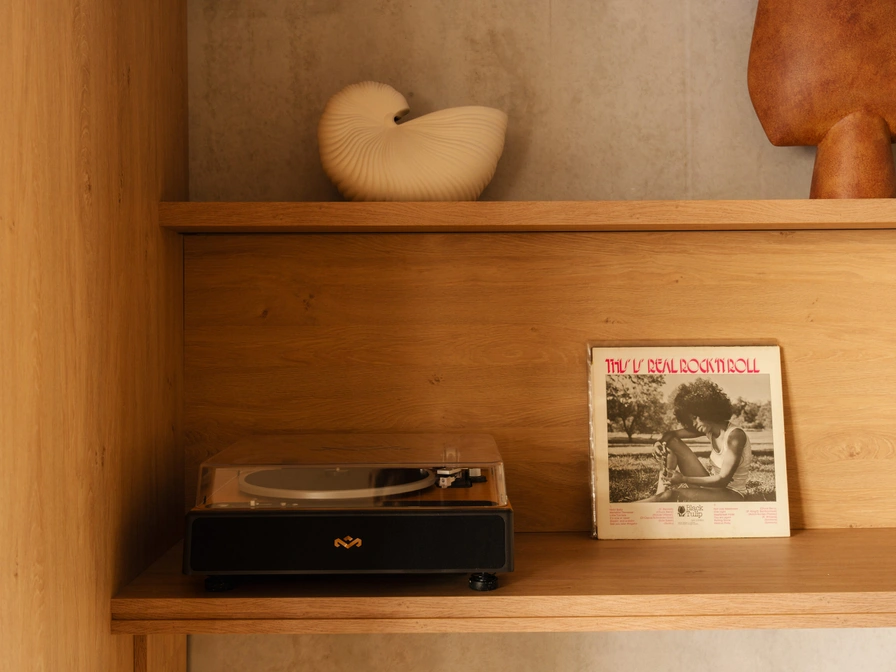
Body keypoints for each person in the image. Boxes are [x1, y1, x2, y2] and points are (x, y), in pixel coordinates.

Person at [636, 378, 751, 503]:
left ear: (707, 411)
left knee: (672, 495)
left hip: (732, 494)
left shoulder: (735, 435)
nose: (693, 423)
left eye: (696, 417)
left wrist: (683, 479)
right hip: (714, 487)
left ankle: (653, 501)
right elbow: (671, 435)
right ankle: (659, 495)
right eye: (690, 420)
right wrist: (658, 443)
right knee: (671, 442)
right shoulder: (709, 430)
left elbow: (723, 480)